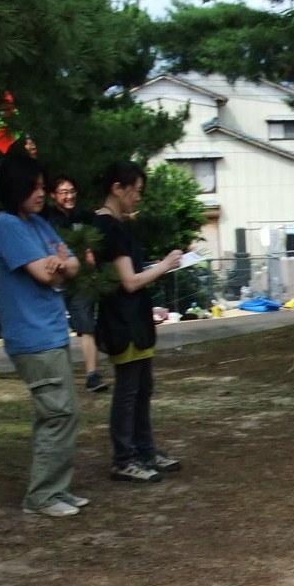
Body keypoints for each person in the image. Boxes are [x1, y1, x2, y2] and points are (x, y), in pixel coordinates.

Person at [0, 156, 89, 518]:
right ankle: (42, 497)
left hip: (51, 331)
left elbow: (72, 264)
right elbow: (45, 275)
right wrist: (56, 267)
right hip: (31, 336)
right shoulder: (7, 225)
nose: (41, 193)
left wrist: (59, 265)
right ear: (16, 188)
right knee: (58, 413)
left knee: (65, 412)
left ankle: (57, 489)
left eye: (43, 187)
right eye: (34, 187)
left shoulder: (39, 225)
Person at [91, 161, 184, 483]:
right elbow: (128, 281)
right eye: (137, 191)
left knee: (143, 388)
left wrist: (152, 306)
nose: (139, 199)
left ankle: (145, 451)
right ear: (118, 188)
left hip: (136, 320)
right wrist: (166, 264)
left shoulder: (119, 225)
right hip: (123, 324)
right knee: (129, 391)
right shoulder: (108, 228)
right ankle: (123, 458)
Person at [44, 174, 109, 393]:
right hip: (54, 280)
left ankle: (92, 375)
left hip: (80, 280)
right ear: (53, 196)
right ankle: (54, 377)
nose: (69, 196)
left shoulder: (83, 216)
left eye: (72, 191)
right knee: (53, 331)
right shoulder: (46, 219)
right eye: (64, 192)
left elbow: (101, 221)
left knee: (87, 326)